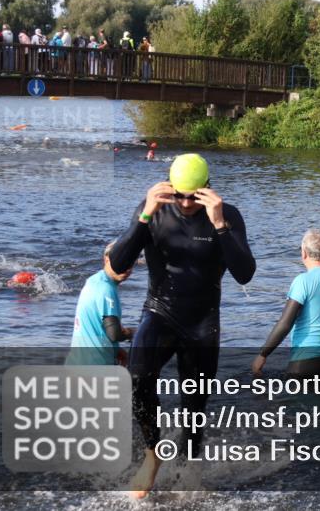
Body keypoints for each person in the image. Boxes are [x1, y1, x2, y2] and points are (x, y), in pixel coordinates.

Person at [107, 153, 255, 498]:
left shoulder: (227, 214)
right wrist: (144, 216)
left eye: (193, 195)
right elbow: (117, 264)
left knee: (194, 405)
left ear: (207, 188)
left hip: (203, 321)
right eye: (179, 195)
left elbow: (245, 273)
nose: (186, 203)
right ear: (169, 187)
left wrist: (219, 224)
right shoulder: (154, 209)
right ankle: (153, 453)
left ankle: (189, 474)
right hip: (159, 311)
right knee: (139, 377)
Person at [251, 229, 320, 379]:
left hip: (305, 361)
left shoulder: (302, 281)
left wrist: (263, 354)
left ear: (304, 253)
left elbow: (285, 324)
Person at [66, 241, 135, 366]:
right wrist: (138, 332)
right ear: (106, 259)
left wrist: (116, 350)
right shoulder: (106, 289)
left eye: (130, 261)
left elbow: (93, 325)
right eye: (121, 260)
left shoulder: (94, 281)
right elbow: (115, 334)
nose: (127, 266)